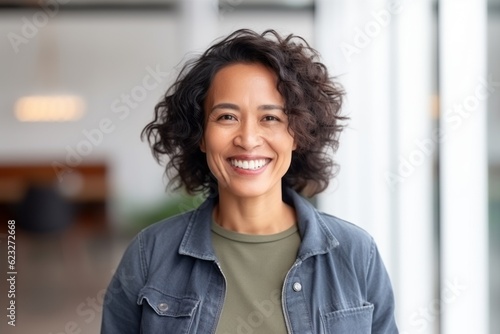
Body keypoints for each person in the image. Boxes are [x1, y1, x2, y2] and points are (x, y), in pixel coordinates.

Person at [101, 29, 398, 334]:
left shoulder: (356, 252)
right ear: (201, 135)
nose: (248, 139)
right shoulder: (149, 254)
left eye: (270, 118)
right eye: (227, 117)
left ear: (297, 134)